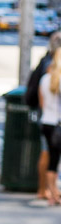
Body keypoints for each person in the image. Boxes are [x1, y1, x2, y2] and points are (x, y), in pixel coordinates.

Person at [26, 32, 61, 199]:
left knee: (48, 153)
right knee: (51, 156)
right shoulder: (53, 70)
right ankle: (49, 190)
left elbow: (41, 100)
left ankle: (46, 190)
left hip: (46, 117)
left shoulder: (45, 69)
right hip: (55, 120)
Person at [38, 47, 61, 206]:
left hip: (46, 121)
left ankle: (52, 192)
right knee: (55, 159)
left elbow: (42, 103)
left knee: (52, 158)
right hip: (57, 124)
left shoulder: (45, 79)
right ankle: (54, 192)